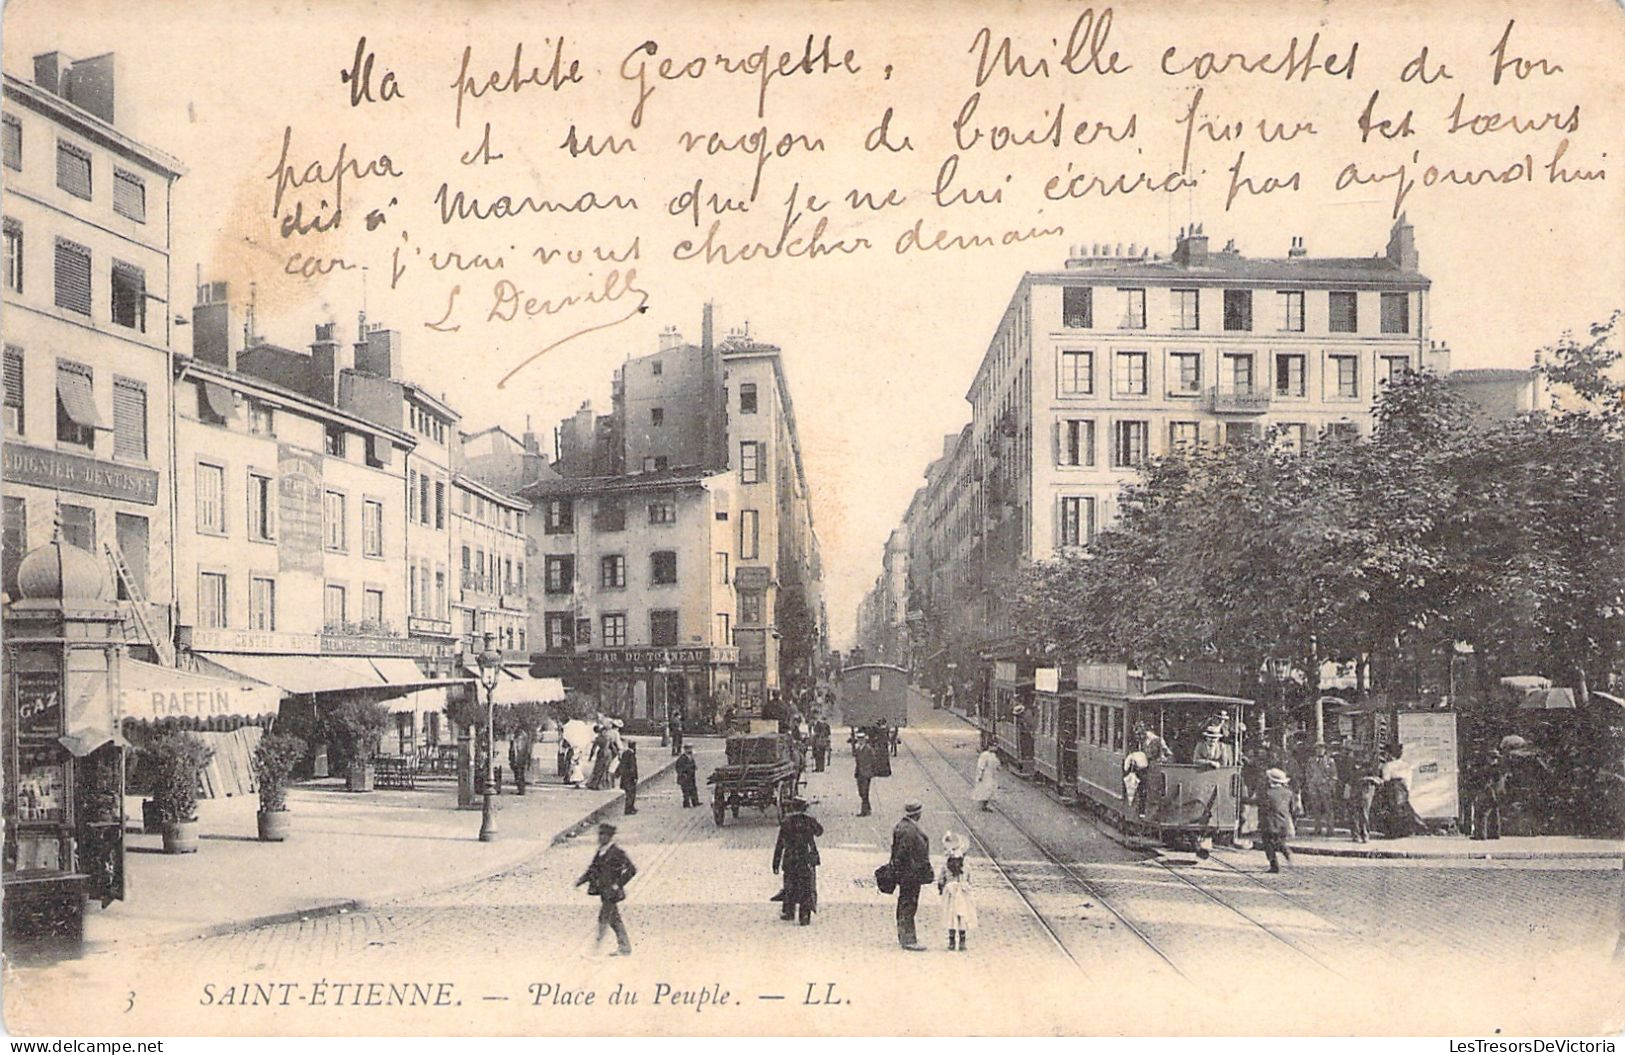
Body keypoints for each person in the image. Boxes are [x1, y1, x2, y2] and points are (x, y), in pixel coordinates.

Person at [575, 822, 637, 956]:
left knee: (603, 918)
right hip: (603, 890)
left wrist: (618, 884)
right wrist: (581, 880)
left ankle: (595, 950)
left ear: (610, 837)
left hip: (612, 892)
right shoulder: (600, 851)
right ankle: (625, 947)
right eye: (599, 835)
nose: (600, 838)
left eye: (603, 835)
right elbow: (593, 869)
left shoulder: (617, 852)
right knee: (614, 919)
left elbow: (631, 869)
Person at [772, 798, 824, 925]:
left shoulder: (786, 822)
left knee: (790, 885)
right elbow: (819, 832)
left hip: (790, 858)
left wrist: (776, 862)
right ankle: (805, 915)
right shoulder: (809, 821)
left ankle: (789, 912)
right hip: (806, 858)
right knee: (807, 886)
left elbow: (780, 844)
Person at [889, 802, 933, 951]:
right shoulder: (909, 830)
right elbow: (902, 853)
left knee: (905, 903)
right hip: (910, 873)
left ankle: (904, 936)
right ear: (916, 814)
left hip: (908, 873)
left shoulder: (903, 826)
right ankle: (908, 939)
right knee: (908, 904)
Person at [937, 831, 978, 951]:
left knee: (951, 916)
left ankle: (951, 941)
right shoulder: (966, 866)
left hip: (951, 893)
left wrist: (941, 888)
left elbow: (941, 879)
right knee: (962, 916)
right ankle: (962, 942)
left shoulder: (946, 865)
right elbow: (970, 880)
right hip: (963, 893)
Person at [1378, 743, 1428, 837]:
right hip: (1403, 790)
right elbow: (1408, 781)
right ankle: (1405, 831)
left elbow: (1386, 779)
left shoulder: (1388, 766)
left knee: (1391, 811)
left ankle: (1392, 832)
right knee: (1403, 810)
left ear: (1390, 754)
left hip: (1392, 791)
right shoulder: (1406, 765)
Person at [1256, 767, 1297, 873]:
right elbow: (1293, 809)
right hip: (1284, 823)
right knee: (1280, 842)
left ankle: (1274, 865)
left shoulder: (1267, 793)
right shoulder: (1288, 793)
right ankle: (1287, 853)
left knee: (1268, 844)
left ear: (1270, 780)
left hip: (1269, 823)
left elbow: (1260, 804)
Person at [1304, 742, 1340, 837]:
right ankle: (1317, 829)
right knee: (1316, 809)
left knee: (1328, 809)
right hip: (1314, 787)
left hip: (1325, 788)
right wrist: (1310, 783)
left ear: (1325, 750)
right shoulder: (1311, 760)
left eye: (1322, 748)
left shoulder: (1330, 761)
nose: (1320, 750)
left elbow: (1334, 776)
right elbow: (1307, 773)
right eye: (1317, 748)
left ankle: (1330, 830)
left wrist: (1330, 786)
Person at [1472, 750, 1508, 841]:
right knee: (1495, 814)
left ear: (1489, 758)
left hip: (1489, 793)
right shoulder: (1501, 769)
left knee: (1482, 813)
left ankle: (1481, 835)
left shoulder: (1489, 769)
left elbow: (1487, 783)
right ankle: (1495, 834)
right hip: (1498, 794)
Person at [854, 732, 880, 816]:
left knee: (865, 792)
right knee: (861, 792)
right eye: (859, 740)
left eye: (862, 739)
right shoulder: (857, 749)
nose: (860, 741)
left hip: (867, 773)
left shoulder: (869, 749)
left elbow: (874, 760)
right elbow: (857, 762)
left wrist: (872, 771)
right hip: (859, 773)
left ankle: (864, 811)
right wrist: (856, 772)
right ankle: (868, 808)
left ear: (865, 740)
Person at [971, 740, 1001, 811]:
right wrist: (980, 775)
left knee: (990, 790)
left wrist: (998, 768)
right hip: (985, 775)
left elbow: (997, 764)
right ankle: (982, 806)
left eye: (995, 746)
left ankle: (985, 805)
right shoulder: (984, 755)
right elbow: (981, 766)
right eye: (993, 746)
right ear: (990, 747)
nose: (995, 748)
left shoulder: (993, 756)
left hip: (991, 775)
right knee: (985, 790)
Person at [675, 743, 701, 808]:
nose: (690, 750)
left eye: (691, 748)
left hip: (691, 776)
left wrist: (694, 767)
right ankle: (686, 803)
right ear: (685, 749)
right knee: (686, 791)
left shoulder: (691, 756)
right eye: (689, 748)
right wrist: (682, 773)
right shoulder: (682, 758)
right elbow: (678, 767)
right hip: (685, 777)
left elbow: (693, 764)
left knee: (693, 789)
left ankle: (695, 802)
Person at [619, 741, 640, 815]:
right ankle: (629, 809)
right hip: (630, 778)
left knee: (628, 794)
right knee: (631, 794)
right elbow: (633, 767)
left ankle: (630, 808)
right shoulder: (631, 755)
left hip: (624, 777)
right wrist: (635, 777)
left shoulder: (625, 753)